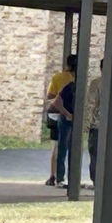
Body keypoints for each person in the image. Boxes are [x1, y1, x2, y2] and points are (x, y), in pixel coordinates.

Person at [45, 54, 77, 187]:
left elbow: (50, 96)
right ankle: (67, 177)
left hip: (56, 114)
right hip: (69, 114)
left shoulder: (58, 77)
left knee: (56, 146)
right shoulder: (75, 80)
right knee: (69, 146)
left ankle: (54, 176)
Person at [85, 60, 104, 186]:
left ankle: (96, 181)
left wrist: (87, 122)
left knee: (95, 154)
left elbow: (90, 104)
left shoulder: (96, 83)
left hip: (97, 125)